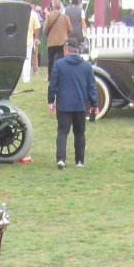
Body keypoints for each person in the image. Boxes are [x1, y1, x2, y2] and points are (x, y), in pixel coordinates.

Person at [47, 37, 96, 168]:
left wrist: (51, 101)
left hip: (64, 104)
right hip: (80, 104)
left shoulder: (59, 64)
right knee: (80, 133)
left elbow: (53, 85)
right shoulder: (87, 66)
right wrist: (94, 104)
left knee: (62, 132)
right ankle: (79, 161)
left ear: (66, 49)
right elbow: (92, 87)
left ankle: (61, 159)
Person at [42, 0, 69, 76]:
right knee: (61, 59)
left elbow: (45, 29)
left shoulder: (49, 17)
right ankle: (60, 75)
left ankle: (50, 76)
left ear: (53, 7)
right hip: (62, 41)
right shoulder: (65, 17)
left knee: (51, 59)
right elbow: (70, 28)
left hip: (52, 41)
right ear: (60, 7)